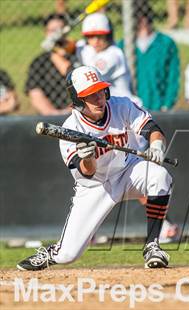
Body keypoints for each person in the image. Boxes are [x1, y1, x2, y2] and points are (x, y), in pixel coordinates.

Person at [17, 66, 173, 270]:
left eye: (100, 91)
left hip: (127, 171)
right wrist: (88, 158)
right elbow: (86, 172)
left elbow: (152, 128)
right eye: (91, 95)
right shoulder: (71, 129)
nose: (99, 99)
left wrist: (156, 146)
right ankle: (53, 252)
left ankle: (152, 246)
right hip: (95, 186)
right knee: (68, 255)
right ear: (78, 99)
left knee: (160, 176)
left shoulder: (120, 105)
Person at [119, 7, 180, 112]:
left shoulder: (166, 43)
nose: (142, 22)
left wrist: (167, 104)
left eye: (143, 17)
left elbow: (173, 76)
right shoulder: (124, 45)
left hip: (159, 106)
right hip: (132, 109)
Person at [76, 13, 140, 103]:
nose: (95, 41)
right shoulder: (88, 48)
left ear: (108, 36)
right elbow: (74, 46)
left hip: (125, 107)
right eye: (91, 36)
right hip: (109, 106)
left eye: (100, 36)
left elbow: (90, 77)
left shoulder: (114, 54)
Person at [26, 13, 76, 115]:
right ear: (45, 33)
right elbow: (35, 94)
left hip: (77, 114)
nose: (56, 35)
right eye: (52, 31)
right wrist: (54, 115)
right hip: (49, 118)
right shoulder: (39, 63)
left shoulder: (78, 56)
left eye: (60, 30)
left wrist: (73, 112)